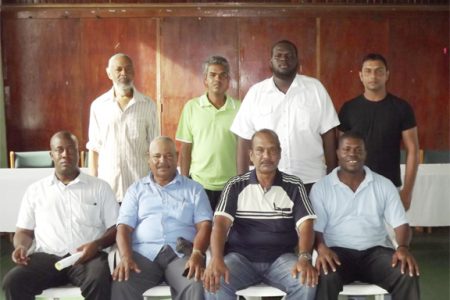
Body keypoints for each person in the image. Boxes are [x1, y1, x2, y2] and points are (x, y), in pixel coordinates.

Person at [2, 131, 119, 300]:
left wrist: (97, 244)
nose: (65, 154)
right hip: (46, 258)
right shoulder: (36, 190)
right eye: (59, 150)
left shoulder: (100, 187)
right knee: (13, 282)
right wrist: (21, 246)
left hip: (86, 257)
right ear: (52, 154)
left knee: (99, 279)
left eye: (71, 149)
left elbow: (115, 228)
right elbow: (24, 231)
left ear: (78, 153)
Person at [203, 129, 318, 300]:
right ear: (251, 155)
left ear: (279, 154)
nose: (266, 156)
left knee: (306, 281)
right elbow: (220, 225)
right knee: (215, 279)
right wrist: (217, 258)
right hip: (241, 259)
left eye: (272, 150)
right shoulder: (235, 185)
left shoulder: (294, 185)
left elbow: (306, 226)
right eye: (260, 150)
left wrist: (304, 257)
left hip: (282, 259)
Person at [310, 131, 420, 300]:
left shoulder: (383, 184)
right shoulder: (321, 187)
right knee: (324, 274)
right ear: (338, 153)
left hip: (375, 252)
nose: (352, 154)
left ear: (365, 154)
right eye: (346, 149)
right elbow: (315, 228)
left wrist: (403, 248)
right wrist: (322, 248)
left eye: (358, 150)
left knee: (407, 272)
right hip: (337, 253)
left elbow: (401, 224)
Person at [230, 40, 339, 193]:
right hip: (268, 181)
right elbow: (244, 139)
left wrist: (332, 176)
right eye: (278, 56)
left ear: (297, 60)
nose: (284, 60)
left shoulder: (315, 89)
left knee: (312, 218)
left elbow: (329, 135)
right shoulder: (256, 93)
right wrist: (242, 182)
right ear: (271, 62)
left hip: (312, 180)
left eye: (289, 56)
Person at [111, 136, 213, 300]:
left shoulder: (194, 189)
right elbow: (123, 228)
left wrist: (197, 254)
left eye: (168, 155)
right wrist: (125, 257)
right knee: (122, 283)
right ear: (148, 159)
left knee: (195, 283)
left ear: (177, 156)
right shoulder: (136, 190)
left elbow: (205, 226)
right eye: (157, 156)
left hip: (181, 255)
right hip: (142, 256)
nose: (162, 161)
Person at [338, 53, 419, 210]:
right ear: (361, 76)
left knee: (392, 235)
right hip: (354, 188)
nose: (373, 76)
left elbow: (413, 150)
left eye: (379, 71)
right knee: (356, 234)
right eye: (368, 71)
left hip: (390, 187)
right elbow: (342, 152)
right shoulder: (349, 108)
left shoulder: (402, 108)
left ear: (387, 75)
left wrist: (407, 191)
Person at [87, 53, 159, 202]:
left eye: (127, 69)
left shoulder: (148, 105)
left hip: (140, 187)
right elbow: (94, 149)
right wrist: (92, 185)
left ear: (134, 71)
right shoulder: (98, 106)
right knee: (111, 226)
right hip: (108, 188)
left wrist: (156, 184)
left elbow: (155, 149)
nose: (123, 73)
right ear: (109, 73)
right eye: (118, 69)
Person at [176, 55, 241, 210]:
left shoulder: (239, 108)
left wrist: (242, 182)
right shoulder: (191, 107)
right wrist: (185, 183)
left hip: (230, 184)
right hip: (199, 184)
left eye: (222, 75)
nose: (217, 79)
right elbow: (185, 149)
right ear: (205, 79)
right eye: (212, 75)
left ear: (228, 80)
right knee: (202, 229)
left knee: (227, 232)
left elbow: (244, 148)